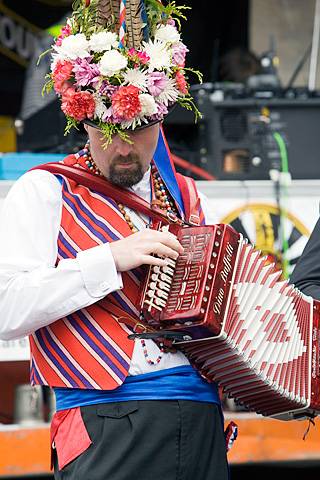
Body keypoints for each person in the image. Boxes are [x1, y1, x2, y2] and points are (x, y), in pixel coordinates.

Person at [0, 1, 229, 479]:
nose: (124, 147)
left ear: (160, 120)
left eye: (139, 130)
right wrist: (108, 260)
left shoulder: (185, 193)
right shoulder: (45, 189)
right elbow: (5, 310)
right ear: (83, 117)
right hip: (107, 419)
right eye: (110, 131)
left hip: (201, 413)